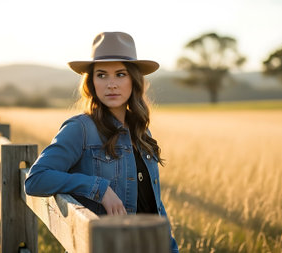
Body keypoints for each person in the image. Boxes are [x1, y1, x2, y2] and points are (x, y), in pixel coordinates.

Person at [24, 31, 179, 252]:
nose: (111, 84)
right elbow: (36, 179)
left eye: (120, 74)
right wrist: (99, 189)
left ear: (134, 80)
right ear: (92, 82)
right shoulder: (80, 129)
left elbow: (155, 205)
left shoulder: (143, 133)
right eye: (102, 75)